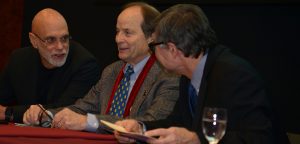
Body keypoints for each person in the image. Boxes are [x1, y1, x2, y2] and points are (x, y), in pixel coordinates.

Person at [115, 4, 290, 144]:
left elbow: (260, 139)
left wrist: (197, 139)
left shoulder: (234, 75)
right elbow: (178, 122)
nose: (153, 53)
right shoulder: (188, 75)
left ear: (172, 49)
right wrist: (140, 127)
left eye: (154, 46)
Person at [24, 2, 179, 132]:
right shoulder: (112, 71)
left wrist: (89, 122)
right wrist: (46, 114)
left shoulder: (167, 74)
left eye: (127, 33)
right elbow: (82, 108)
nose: (118, 39)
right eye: (117, 32)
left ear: (151, 36)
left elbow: (150, 122)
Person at [0, 8, 100, 123]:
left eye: (64, 38)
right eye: (51, 40)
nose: (60, 47)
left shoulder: (85, 64)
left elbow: (64, 110)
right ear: (34, 40)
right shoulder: (18, 59)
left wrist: (8, 113)